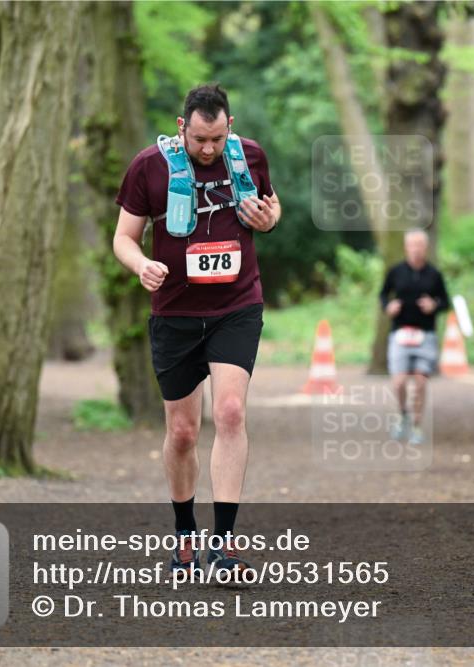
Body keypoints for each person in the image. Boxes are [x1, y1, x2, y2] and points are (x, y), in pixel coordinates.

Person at [112, 84, 280, 577]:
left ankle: (222, 549)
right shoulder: (149, 166)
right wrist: (141, 263)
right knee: (183, 432)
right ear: (183, 127)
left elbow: (272, 210)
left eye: (218, 138)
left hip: (237, 304)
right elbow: (123, 237)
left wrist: (269, 220)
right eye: (200, 139)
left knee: (229, 413)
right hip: (175, 312)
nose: (209, 149)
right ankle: (185, 538)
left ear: (229, 126)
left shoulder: (248, 157)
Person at [378, 229, 449, 445]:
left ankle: (417, 426)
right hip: (400, 333)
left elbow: (445, 302)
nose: (416, 249)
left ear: (426, 248)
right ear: (406, 247)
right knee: (398, 382)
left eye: (420, 245)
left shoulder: (434, 275)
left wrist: (434, 305)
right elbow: (383, 294)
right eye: (412, 245)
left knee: (420, 382)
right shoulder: (396, 272)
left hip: (424, 334)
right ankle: (403, 415)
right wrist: (388, 306)